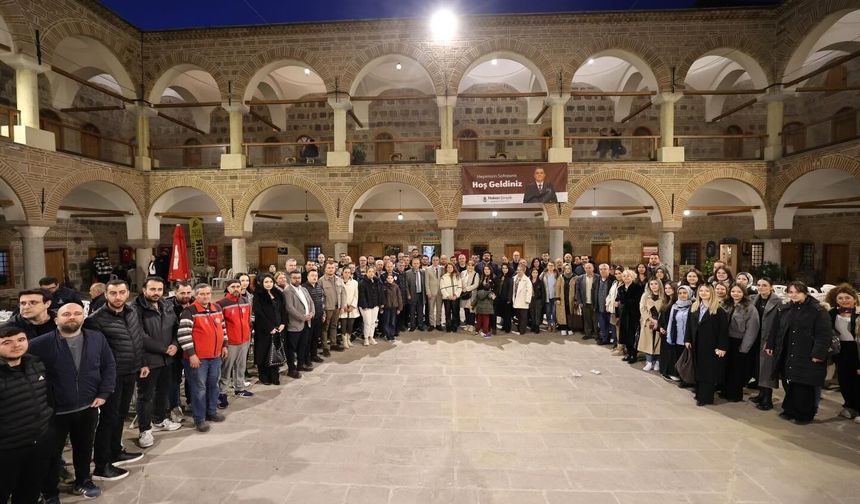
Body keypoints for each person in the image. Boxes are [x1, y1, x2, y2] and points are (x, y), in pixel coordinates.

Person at [30, 303, 116, 500]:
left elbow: (109, 365)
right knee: (51, 455)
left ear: (84, 317)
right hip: (54, 411)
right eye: (66, 314)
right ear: (56, 319)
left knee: (84, 448)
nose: (72, 317)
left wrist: (104, 393)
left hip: (87, 407)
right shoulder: (39, 344)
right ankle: (50, 493)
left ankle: (83, 481)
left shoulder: (96, 338)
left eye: (77, 313)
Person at [84, 279, 148, 481]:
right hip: (111, 376)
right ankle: (101, 466)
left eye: (121, 292)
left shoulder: (131, 312)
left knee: (120, 415)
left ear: (128, 293)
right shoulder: (95, 319)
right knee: (108, 419)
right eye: (113, 293)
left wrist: (142, 362)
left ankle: (115, 451)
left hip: (131, 371)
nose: (118, 297)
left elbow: (138, 339)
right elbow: (96, 354)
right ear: (106, 295)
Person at [0, 324, 54, 504]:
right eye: (7, 342)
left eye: (21, 340)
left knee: (30, 490)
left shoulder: (35, 363)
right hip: (7, 449)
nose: (16, 345)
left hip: (38, 443)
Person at [767, 282, 831, 424]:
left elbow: (824, 335)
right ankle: (790, 410)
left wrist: (818, 354)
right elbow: (775, 328)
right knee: (789, 382)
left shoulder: (818, 310)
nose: (793, 295)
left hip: (807, 353)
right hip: (788, 351)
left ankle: (804, 414)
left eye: (797, 292)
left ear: (805, 293)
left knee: (804, 384)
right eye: (790, 292)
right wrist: (770, 344)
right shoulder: (786, 308)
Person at [134, 276, 181, 450]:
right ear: (144, 290)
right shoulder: (135, 308)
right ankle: (145, 430)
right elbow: (139, 335)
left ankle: (160, 419)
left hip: (168, 358)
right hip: (148, 360)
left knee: (163, 392)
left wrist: (175, 345)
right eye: (152, 289)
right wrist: (164, 348)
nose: (156, 293)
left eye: (159, 290)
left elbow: (176, 327)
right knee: (146, 396)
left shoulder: (167, 305)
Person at [177, 283, 228, 433]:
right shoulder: (189, 311)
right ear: (196, 295)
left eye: (208, 294)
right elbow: (183, 335)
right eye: (202, 294)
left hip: (215, 356)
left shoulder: (216, 309)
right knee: (199, 389)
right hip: (198, 359)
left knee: (214, 385)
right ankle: (199, 419)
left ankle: (211, 411)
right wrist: (192, 354)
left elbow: (223, 328)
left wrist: (224, 345)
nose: (205, 296)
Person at [687, 284, 729, 406]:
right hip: (697, 344)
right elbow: (689, 326)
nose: (703, 293)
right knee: (698, 369)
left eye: (706, 291)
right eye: (701, 290)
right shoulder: (694, 307)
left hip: (711, 346)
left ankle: (706, 398)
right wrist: (687, 339)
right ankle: (699, 393)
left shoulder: (719, 310)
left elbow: (723, 331)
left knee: (708, 372)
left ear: (712, 293)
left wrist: (722, 347)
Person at [217, 279, 254, 410]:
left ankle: (239, 388)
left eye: (238, 286)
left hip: (244, 340)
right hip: (231, 342)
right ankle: (222, 393)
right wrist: (224, 343)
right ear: (227, 288)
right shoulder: (221, 304)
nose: (236, 289)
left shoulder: (245, 301)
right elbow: (220, 326)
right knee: (226, 369)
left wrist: (248, 334)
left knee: (241, 366)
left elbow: (248, 320)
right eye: (233, 287)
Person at [826, 284, 860, 422]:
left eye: (847, 297)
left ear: (854, 299)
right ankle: (849, 406)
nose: (844, 300)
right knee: (844, 379)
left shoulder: (858, 313)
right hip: (841, 349)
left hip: (856, 349)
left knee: (857, 380)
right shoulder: (832, 313)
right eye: (840, 298)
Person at [723, 284, 760, 402]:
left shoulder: (749, 308)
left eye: (739, 292)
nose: (735, 294)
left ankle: (734, 395)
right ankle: (725, 390)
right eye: (733, 291)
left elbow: (752, 329)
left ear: (744, 293)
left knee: (737, 370)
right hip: (726, 340)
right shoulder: (726, 304)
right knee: (726, 367)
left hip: (739, 341)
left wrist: (744, 347)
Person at [750, 277, 782, 411]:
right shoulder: (755, 299)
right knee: (758, 368)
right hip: (756, 338)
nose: (761, 287)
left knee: (767, 370)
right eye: (759, 285)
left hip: (768, 340)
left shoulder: (778, 302)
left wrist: (771, 342)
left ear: (771, 286)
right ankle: (761, 393)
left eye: (764, 285)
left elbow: (779, 325)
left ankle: (767, 399)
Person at [253, 273, 290, 383]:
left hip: (279, 328)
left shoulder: (278, 293)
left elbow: (283, 309)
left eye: (270, 282)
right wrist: (270, 327)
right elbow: (259, 313)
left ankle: (274, 376)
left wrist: (283, 323)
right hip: (264, 329)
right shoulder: (258, 295)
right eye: (266, 282)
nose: (269, 284)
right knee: (264, 352)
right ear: (261, 283)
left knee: (276, 352)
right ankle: (264, 376)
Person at [167, 281, 193, 423]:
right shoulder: (167, 306)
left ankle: (191, 401)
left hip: (191, 349)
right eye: (182, 293)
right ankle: (175, 406)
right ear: (175, 293)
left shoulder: (195, 304)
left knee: (191, 377)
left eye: (188, 292)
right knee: (174, 380)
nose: (186, 296)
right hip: (174, 350)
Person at [284, 270, 315, 369]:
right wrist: (302, 317)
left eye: (299, 278)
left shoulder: (303, 289)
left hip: (307, 323)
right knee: (292, 348)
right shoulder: (288, 291)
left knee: (303, 345)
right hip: (295, 324)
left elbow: (311, 302)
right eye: (294, 278)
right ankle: (292, 369)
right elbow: (289, 308)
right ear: (290, 278)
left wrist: (312, 313)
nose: (297, 280)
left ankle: (301, 365)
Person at [659, 283, 690, 382]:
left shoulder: (692, 306)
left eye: (685, 293)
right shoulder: (673, 304)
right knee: (672, 353)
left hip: (685, 335)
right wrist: (662, 327)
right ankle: (670, 372)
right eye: (666, 288)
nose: (667, 290)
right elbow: (670, 320)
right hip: (672, 333)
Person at [639, 278, 667, 371]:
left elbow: (664, 310)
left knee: (658, 342)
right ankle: (649, 361)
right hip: (648, 322)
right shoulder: (645, 296)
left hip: (660, 322)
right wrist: (651, 319)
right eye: (651, 284)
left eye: (656, 284)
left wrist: (658, 322)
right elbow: (642, 309)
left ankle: (657, 362)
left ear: (659, 285)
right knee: (649, 342)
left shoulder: (664, 297)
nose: (653, 286)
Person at [617, 269, 645, 363]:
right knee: (625, 334)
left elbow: (637, 301)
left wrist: (625, 302)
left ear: (632, 277)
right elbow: (620, 301)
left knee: (633, 335)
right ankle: (628, 353)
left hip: (634, 314)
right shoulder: (620, 288)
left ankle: (633, 354)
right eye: (624, 276)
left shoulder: (638, 287)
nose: (626, 277)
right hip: (624, 314)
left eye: (628, 276)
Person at [320, 261, 345, 354]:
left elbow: (343, 293)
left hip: (336, 307)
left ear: (335, 269)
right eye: (329, 268)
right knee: (325, 328)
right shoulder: (321, 280)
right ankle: (325, 347)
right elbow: (320, 297)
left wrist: (342, 306)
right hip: (327, 308)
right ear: (325, 269)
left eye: (332, 267)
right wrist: (323, 311)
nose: (331, 269)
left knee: (334, 326)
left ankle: (333, 344)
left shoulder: (339, 279)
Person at [303, 270, 326, 364]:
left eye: (316, 275)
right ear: (307, 277)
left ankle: (314, 355)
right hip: (309, 318)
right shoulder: (304, 288)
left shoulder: (319, 287)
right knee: (308, 339)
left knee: (315, 337)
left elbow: (322, 302)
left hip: (318, 316)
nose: (314, 277)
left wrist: (323, 314)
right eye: (312, 275)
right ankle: (306, 357)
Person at [357, 267, 383, 345]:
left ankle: (371, 337)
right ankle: (366, 338)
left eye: (373, 272)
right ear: (366, 272)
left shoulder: (376, 281)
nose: (371, 273)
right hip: (366, 306)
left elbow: (379, 293)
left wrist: (379, 303)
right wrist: (364, 306)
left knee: (373, 322)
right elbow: (362, 296)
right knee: (367, 322)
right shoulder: (362, 282)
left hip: (375, 305)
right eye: (369, 271)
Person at [404, 257, 428, 332]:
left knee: (420, 311)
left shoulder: (423, 272)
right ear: (412, 264)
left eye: (417, 263)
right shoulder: (408, 273)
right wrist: (408, 294)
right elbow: (406, 285)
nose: (416, 265)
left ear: (419, 264)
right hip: (412, 294)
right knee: (412, 310)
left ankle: (420, 325)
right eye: (414, 263)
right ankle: (412, 325)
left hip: (421, 294)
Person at [576, 262, 600, 340]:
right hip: (585, 302)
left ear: (593, 268)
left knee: (595, 319)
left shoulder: (598, 277)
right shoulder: (580, 278)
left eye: (590, 267)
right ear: (584, 269)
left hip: (595, 302)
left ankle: (596, 334)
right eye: (586, 268)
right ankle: (588, 333)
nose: (588, 269)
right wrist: (579, 302)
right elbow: (578, 291)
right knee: (587, 319)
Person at [595, 264, 616, 345]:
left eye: (605, 269)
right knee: (603, 325)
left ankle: (614, 341)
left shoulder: (613, 280)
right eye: (601, 269)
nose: (603, 271)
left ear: (609, 270)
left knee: (612, 326)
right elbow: (594, 292)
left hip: (610, 308)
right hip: (600, 307)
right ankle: (604, 339)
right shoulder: (597, 279)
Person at [473, 267, 496, 338]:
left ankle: (477, 331)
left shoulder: (494, 278)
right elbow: (492, 296)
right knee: (486, 320)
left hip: (480, 306)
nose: (486, 270)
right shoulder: (481, 278)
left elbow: (477, 297)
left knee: (479, 319)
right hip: (487, 306)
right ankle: (485, 332)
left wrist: (473, 304)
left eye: (488, 269)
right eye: (485, 269)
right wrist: (491, 295)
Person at [339, 268, 359, 349]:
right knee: (343, 324)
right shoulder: (338, 282)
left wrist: (352, 306)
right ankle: (344, 341)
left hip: (351, 307)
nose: (347, 274)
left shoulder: (355, 282)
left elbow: (356, 295)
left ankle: (348, 339)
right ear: (342, 273)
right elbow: (338, 295)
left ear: (351, 274)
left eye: (349, 272)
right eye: (345, 272)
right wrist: (343, 305)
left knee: (350, 325)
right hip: (342, 306)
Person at [440, 263, 462, 333]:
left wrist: (456, 295)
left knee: (455, 313)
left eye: (451, 267)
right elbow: (442, 288)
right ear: (446, 268)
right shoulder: (443, 277)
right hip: (447, 298)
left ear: (453, 268)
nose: (449, 269)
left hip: (455, 298)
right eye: (448, 267)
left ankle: (454, 326)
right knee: (447, 313)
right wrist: (448, 296)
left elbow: (460, 287)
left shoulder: (457, 276)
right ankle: (448, 327)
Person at [606, 266, 624, 354]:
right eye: (616, 274)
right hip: (613, 310)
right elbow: (610, 294)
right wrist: (607, 303)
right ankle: (618, 346)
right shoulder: (614, 282)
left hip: (621, 311)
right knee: (616, 328)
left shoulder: (625, 284)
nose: (618, 275)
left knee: (621, 329)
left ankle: (621, 348)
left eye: (619, 273)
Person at [381, 273, 403, 342]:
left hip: (394, 307)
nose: (390, 279)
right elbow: (382, 297)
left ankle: (392, 334)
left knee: (393, 322)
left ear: (393, 279)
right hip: (386, 307)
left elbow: (399, 297)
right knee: (386, 322)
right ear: (386, 279)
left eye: (391, 278)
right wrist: (381, 308)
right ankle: (387, 335)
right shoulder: (384, 287)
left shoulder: (396, 287)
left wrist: (399, 308)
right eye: (388, 278)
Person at [512, 265, 533, 335]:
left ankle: (522, 330)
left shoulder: (527, 280)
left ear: (524, 271)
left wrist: (527, 300)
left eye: (520, 270)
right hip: (516, 300)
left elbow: (529, 291)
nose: (519, 271)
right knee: (518, 317)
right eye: (518, 270)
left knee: (523, 317)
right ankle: (518, 329)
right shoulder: (514, 278)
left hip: (523, 301)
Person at [425, 256, 445, 332]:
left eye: (437, 260)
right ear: (431, 261)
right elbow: (426, 282)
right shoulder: (428, 269)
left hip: (440, 292)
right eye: (434, 260)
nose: (435, 261)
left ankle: (438, 324)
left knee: (439, 309)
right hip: (431, 293)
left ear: (438, 261)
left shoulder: (442, 268)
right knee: (431, 309)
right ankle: (431, 324)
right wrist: (428, 292)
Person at [556, 263, 575, 335]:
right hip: (562, 299)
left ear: (571, 269)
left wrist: (576, 299)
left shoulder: (575, 277)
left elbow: (577, 289)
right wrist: (557, 298)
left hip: (572, 299)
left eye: (569, 268)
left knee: (570, 313)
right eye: (566, 268)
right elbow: (557, 288)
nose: (567, 270)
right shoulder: (561, 277)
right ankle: (563, 327)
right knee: (562, 313)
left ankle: (570, 328)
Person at [460, 262, 480, 332]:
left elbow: (476, 284)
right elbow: (460, 281)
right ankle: (467, 324)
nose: (470, 267)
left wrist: (467, 289)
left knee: (472, 310)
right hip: (464, 294)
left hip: (472, 294)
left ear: (474, 267)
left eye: (472, 266)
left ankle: (472, 325)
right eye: (469, 265)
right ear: (467, 266)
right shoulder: (463, 273)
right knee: (466, 309)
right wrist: (462, 288)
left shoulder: (476, 274)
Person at [496, 263, 514, 333]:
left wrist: (509, 299)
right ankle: (504, 326)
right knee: (503, 314)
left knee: (507, 315)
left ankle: (507, 328)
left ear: (508, 269)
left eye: (506, 268)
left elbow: (510, 290)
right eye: (503, 268)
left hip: (507, 299)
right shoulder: (500, 276)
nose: (504, 269)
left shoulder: (510, 278)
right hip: (501, 298)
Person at [540, 262, 559, 333]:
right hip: (547, 296)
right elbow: (539, 281)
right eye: (549, 265)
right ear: (547, 266)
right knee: (548, 312)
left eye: (552, 265)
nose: (550, 267)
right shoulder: (543, 274)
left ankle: (554, 324)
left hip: (554, 296)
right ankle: (548, 324)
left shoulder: (557, 274)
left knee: (554, 312)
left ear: (554, 267)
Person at [528, 268, 545, 333]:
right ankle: (533, 326)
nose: (535, 274)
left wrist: (542, 301)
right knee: (532, 313)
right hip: (531, 299)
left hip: (538, 300)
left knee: (538, 314)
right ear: (531, 273)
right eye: (533, 272)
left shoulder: (540, 281)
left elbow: (543, 292)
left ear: (538, 274)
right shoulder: (529, 281)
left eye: (536, 273)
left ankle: (537, 327)